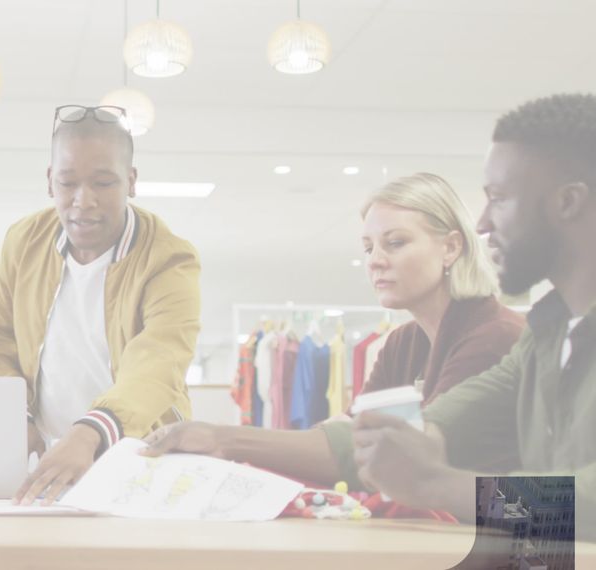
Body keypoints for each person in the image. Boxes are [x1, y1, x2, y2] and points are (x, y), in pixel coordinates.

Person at [142, 173, 523, 488]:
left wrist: (226, 439)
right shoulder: (403, 342)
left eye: (395, 243)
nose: (375, 261)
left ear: (452, 247)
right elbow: (348, 428)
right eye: (369, 247)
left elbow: (409, 452)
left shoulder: (494, 337)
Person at [353, 93, 596, 540]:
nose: (482, 223)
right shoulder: (543, 337)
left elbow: (586, 504)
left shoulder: (507, 332)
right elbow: (432, 427)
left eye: (499, 199)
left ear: (568, 202)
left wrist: (439, 484)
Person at [0, 105, 201, 505]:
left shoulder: (169, 258)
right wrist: (16, 415)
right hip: (46, 463)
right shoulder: (24, 241)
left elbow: (161, 358)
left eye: (103, 183)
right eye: (68, 183)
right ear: (49, 182)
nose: (83, 201)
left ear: (131, 181)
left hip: (142, 458)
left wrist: (89, 432)